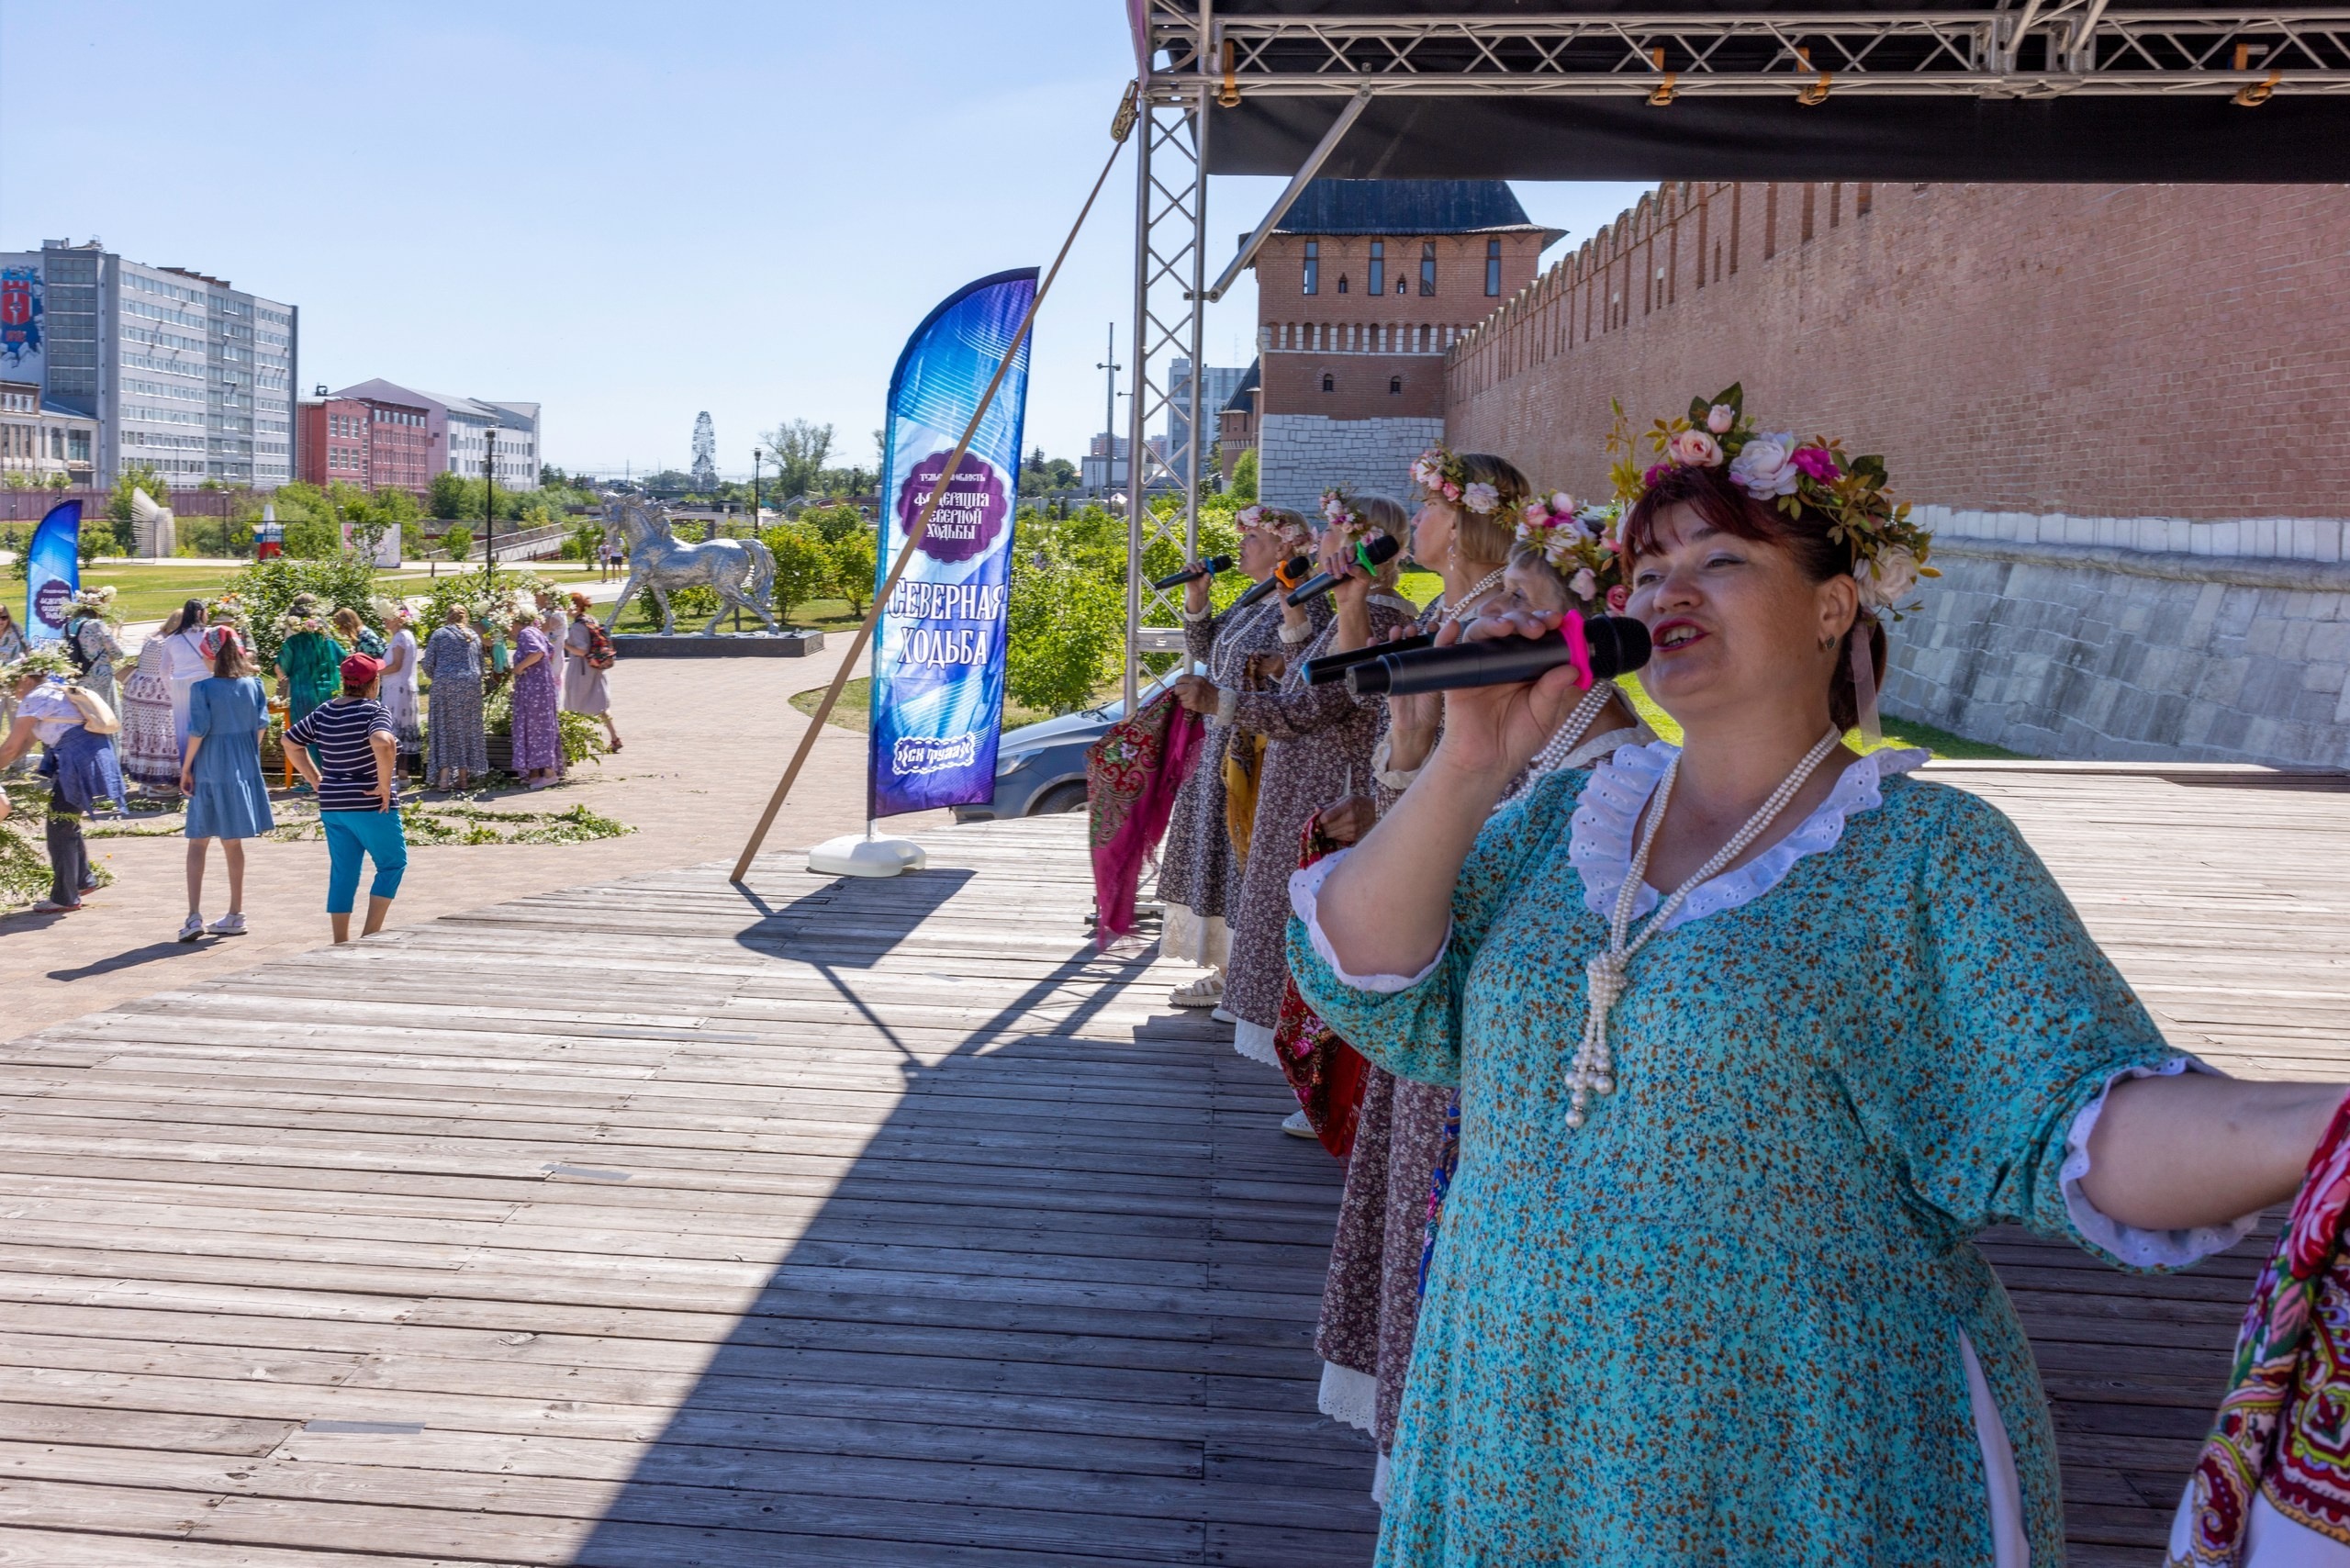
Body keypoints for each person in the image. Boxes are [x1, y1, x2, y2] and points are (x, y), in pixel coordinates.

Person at [1290, 386, 2344, 1566]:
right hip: (1514, 1420)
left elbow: (2087, 1113)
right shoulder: (1561, 822)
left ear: (1833, 605)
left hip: (1798, 1449)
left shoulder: (1926, 851)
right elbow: (1366, 976)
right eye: (1645, 570)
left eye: (1720, 558)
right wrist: (1473, 759)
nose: (1663, 591)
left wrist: (2318, 1124)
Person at [1308, 464, 1654, 1498]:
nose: (1503, 617)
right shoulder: (1512, 745)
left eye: (1526, 604)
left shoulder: (1599, 782)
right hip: (1445, 1056)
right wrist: (1424, 744)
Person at [1176, 490, 1416, 1127]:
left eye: (1333, 544)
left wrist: (1220, 702)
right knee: (1314, 934)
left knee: (1334, 937)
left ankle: (1341, 1089)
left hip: (1332, 787)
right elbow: (1314, 686)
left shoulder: (1381, 614)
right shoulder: (1348, 613)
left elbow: (1318, 707)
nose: (1322, 553)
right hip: (1303, 781)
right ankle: (1328, 1085)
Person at [1156, 506, 1312, 1009]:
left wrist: (1270, 668)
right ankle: (1229, 967)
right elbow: (1208, 649)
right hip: (1224, 738)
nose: (1240, 544)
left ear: (1284, 548)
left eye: (1252, 537)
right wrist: (1197, 596)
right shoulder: (1256, 596)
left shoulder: (1304, 600)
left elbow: (1305, 665)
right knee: (1220, 849)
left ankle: (1243, 972)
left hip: (1257, 746)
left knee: (1243, 850)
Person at [285, 652, 405, 943]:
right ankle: (370, 934)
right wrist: (385, 784)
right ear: (374, 682)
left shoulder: (325, 711)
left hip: (333, 804)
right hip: (370, 804)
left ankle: (340, 941)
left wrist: (315, 779)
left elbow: (290, 741)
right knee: (392, 864)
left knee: (344, 872)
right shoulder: (375, 711)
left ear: (345, 681)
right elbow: (383, 741)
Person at [0, 647, 125, 913]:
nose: (14, 691)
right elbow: (24, 745)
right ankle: (82, 880)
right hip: (88, 755)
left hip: (77, 760)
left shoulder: (35, 697)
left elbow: (11, 747)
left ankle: (65, 897)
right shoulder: (54, 691)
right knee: (65, 820)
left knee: (60, 826)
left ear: (25, 679)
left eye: (14, 684)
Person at [178, 628, 274, 940]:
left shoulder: (202, 688)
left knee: (198, 842)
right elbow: (261, 727)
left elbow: (199, 730)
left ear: (209, 655)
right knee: (233, 843)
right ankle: (236, 913)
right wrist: (246, 755)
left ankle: (193, 915)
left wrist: (187, 767)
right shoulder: (255, 685)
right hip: (242, 767)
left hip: (210, 768)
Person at [418, 605, 487, 790]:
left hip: (445, 685)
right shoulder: (473, 636)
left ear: (448, 617)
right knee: (466, 729)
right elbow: (481, 665)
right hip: (470, 686)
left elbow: (427, 664)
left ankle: (443, 780)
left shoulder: (440, 634)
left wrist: (441, 676)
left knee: (443, 728)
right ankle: (463, 778)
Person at [118, 610, 185, 793]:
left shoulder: (152, 636)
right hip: (158, 691)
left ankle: (146, 780)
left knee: (144, 736)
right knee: (164, 735)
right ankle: (160, 783)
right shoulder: (170, 642)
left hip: (138, 688)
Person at [274, 593, 346, 734]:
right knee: (329, 737)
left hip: (304, 697)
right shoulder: (328, 641)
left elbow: (280, 669)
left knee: (305, 741)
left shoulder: (293, 643)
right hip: (330, 695)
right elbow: (346, 660)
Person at [507, 607, 562, 789]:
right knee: (539, 727)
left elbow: (538, 652)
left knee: (537, 728)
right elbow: (550, 650)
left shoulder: (526, 633)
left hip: (534, 690)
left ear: (517, 622)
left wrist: (519, 668)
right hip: (540, 688)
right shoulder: (536, 631)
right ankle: (537, 772)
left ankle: (548, 772)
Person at [562, 592, 621, 751]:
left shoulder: (576, 626)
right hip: (596, 666)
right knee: (599, 702)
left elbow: (581, 650)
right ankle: (614, 737)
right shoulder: (591, 619)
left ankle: (570, 743)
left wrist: (563, 644)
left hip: (581, 668)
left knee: (573, 703)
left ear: (574, 607)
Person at [158, 597, 213, 756]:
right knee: (207, 727)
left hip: (180, 687)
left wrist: (172, 690)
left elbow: (164, 670)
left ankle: (188, 769)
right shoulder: (208, 634)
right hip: (205, 682)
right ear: (199, 613)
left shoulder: (172, 639)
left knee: (184, 730)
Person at [64, 586, 125, 717]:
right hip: (100, 681)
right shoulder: (96, 625)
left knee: (86, 718)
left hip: (78, 681)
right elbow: (117, 652)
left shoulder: (67, 626)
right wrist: (116, 630)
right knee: (106, 718)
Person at [378, 603, 422, 772]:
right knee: (401, 732)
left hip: (397, 691)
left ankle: (393, 775)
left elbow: (396, 665)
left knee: (393, 731)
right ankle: (402, 774)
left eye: (387, 617)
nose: (384, 620)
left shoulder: (400, 638)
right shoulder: (407, 635)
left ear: (398, 618)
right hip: (403, 689)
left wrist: (375, 672)